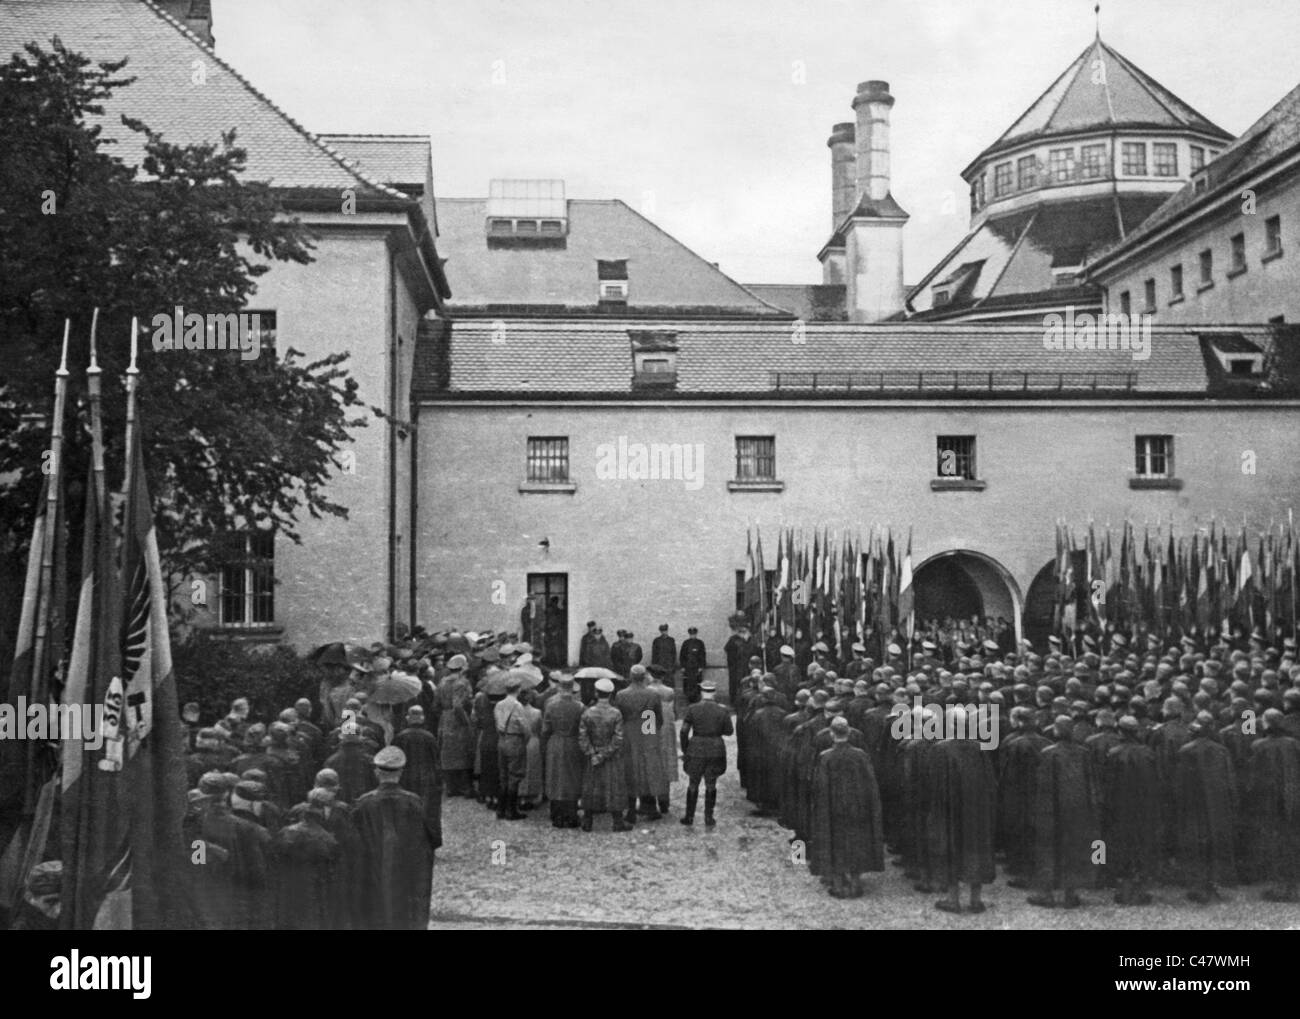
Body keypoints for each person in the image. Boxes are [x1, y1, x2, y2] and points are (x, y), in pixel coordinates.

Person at [350, 746, 437, 930]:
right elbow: (430, 839)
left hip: (373, 875)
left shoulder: (363, 804)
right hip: (407, 876)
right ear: (401, 772)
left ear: (376, 772)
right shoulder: (414, 802)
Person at [927, 706, 997, 915]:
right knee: (976, 848)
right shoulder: (980, 748)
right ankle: (976, 900)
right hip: (976, 809)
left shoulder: (940, 749)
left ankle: (953, 899)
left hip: (948, 809)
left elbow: (934, 784)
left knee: (950, 847)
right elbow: (990, 782)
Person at [1027, 716, 1098, 908]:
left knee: (1047, 850)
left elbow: (1042, 786)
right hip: (1077, 810)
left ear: (1056, 731)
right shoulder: (1084, 753)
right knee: (1073, 850)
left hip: (1051, 811)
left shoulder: (1048, 753)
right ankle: (1070, 894)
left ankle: (1047, 895)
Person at [810, 716, 884, 898]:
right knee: (856, 841)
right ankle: (856, 883)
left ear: (831, 734)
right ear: (849, 732)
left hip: (834, 807)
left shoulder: (825, 757)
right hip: (857, 806)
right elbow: (870, 783)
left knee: (835, 842)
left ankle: (837, 883)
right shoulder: (861, 755)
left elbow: (819, 787)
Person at [1174, 711, 1237, 903]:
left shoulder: (1185, 750)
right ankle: (1211, 885)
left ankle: (1198, 885)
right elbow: (1230, 782)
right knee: (1213, 845)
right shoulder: (1222, 750)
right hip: (1217, 806)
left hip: (1192, 806)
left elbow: (1179, 784)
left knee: (1195, 846)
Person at [1103, 715, 1161, 905]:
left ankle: (1124, 890)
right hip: (1145, 808)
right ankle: (1139, 890)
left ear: (1120, 732)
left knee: (1122, 847)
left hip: (1120, 809)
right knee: (1142, 847)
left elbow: (1108, 785)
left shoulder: (1113, 753)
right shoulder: (1149, 753)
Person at [1247, 709, 1300, 902]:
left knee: (1273, 843)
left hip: (1267, 801)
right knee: (1291, 841)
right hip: (1292, 800)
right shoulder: (1294, 744)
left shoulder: (1257, 744)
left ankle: (1278, 887)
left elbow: (1252, 777)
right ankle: (1290, 885)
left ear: (1266, 723)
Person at [272, 788, 341, 930]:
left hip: (289, 881)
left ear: (303, 816)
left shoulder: (287, 831)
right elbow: (333, 862)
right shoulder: (327, 838)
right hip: (315, 883)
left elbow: (275, 853)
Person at [614, 664, 666, 821]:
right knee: (648, 767)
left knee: (629, 768)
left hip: (629, 732)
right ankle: (649, 806)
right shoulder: (653, 694)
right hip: (647, 729)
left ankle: (630, 809)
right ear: (644, 677)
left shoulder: (621, 694)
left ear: (630, 676)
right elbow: (658, 718)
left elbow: (618, 716)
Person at [679, 680, 733, 827]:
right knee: (711, 783)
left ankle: (689, 817)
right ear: (714, 692)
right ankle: (709, 817)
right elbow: (729, 731)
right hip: (716, 749)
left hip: (696, 748)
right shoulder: (722, 710)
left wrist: (685, 749)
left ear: (702, 692)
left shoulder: (692, 709)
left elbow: (684, 731)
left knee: (693, 783)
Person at [579, 679, 630, 832]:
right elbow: (618, 738)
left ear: (596, 693)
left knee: (591, 786)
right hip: (611, 756)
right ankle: (617, 821)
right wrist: (605, 754)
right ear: (611, 694)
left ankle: (588, 820)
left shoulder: (587, 712)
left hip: (593, 754)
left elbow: (582, 736)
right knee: (614, 786)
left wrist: (593, 753)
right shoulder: (616, 713)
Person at [393, 706, 443, 852]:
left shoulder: (400, 737)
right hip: (427, 779)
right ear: (422, 718)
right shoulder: (429, 737)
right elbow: (436, 761)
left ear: (408, 718)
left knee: (407, 810)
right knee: (427, 811)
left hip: (406, 778)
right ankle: (427, 841)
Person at [542, 675, 585, 828]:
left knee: (555, 776)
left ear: (559, 686)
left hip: (555, 742)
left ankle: (556, 813)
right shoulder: (579, 706)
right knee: (572, 777)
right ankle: (571, 814)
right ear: (572, 687)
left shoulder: (551, 705)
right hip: (572, 743)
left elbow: (545, 728)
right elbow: (583, 729)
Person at [436, 655, 475, 797]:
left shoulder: (441, 683)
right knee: (463, 751)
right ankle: (466, 788)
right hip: (458, 719)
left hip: (445, 718)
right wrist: (466, 721)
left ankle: (451, 787)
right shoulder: (462, 683)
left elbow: (436, 704)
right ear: (462, 667)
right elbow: (458, 705)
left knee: (447, 752)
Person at [494, 675, 530, 820]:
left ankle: (500, 809)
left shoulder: (499, 704)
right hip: (515, 739)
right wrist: (525, 740)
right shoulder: (517, 706)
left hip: (502, 739)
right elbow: (525, 728)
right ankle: (511, 810)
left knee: (503, 775)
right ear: (518, 689)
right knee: (514, 776)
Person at [648, 665, 679, 816]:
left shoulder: (648, 693)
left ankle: (651, 800)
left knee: (652, 766)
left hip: (652, 733)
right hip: (667, 733)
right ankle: (664, 800)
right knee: (665, 765)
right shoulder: (669, 692)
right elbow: (674, 715)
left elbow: (646, 720)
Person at [324, 723, 377, 805]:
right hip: (363, 806)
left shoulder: (331, 761)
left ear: (341, 737)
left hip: (340, 808)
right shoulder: (370, 760)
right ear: (360, 737)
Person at [680, 626, 707, 704]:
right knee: (688, 683)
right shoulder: (686, 643)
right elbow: (682, 655)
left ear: (696, 634)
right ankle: (688, 698)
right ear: (689, 634)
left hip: (696, 667)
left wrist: (701, 666)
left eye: (694, 634)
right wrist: (682, 666)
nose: (693, 635)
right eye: (691, 634)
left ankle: (697, 697)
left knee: (697, 682)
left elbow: (703, 655)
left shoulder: (700, 643)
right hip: (688, 667)